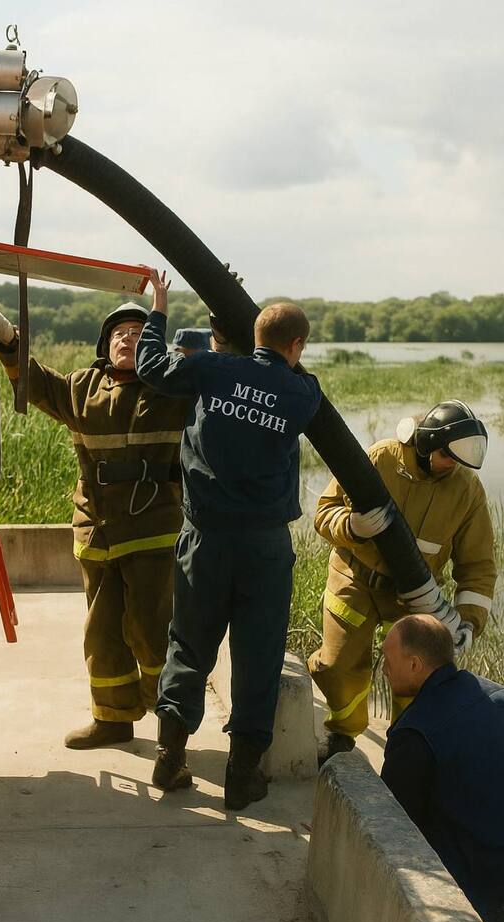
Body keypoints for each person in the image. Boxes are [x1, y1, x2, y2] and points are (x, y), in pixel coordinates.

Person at [136, 273, 321, 810]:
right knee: (258, 656)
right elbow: (289, 379)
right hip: (264, 547)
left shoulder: (212, 370)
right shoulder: (301, 390)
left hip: (205, 541)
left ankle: (169, 758)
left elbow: (151, 366)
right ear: (297, 346)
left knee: (188, 645)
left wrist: (160, 308)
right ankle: (241, 778)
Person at [0, 298, 191, 749]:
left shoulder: (174, 390)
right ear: (104, 344)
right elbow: (36, 385)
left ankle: (169, 720)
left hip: (153, 532)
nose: (126, 339)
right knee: (102, 632)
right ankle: (112, 719)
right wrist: (9, 342)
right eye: (118, 334)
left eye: (136, 332)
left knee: (153, 631)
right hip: (96, 530)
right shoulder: (82, 388)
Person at [308, 400, 497, 763]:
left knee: (418, 675)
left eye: (459, 460)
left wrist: (469, 621)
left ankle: (407, 748)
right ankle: (343, 736)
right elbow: (323, 513)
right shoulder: (381, 458)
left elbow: (478, 565)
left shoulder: (466, 490)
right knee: (339, 666)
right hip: (355, 582)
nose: (452, 465)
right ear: (425, 443)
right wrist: (352, 527)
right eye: (447, 456)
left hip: (414, 597)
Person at [381, 614, 504, 922]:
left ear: (414, 664)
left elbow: (396, 829)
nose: (383, 668)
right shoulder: (501, 696)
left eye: (387, 659)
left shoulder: (415, 732)